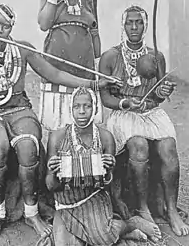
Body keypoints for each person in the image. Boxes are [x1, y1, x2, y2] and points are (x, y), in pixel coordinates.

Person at [0, 3, 113, 242]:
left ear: (11, 29)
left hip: (20, 110)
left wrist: (93, 84)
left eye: (5, 26)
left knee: (29, 147)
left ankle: (31, 212)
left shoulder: (22, 49)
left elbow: (54, 74)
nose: (0, 30)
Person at [99, 5, 189, 237]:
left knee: (169, 147)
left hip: (149, 113)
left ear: (145, 25)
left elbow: (159, 94)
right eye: (130, 22)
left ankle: (171, 210)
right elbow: (105, 97)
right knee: (138, 146)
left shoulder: (156, 56)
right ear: (123, 25)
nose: (134, 27)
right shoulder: (111, 56)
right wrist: (124, 103)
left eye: (139, 22)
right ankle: (144, 208)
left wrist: (162, 91)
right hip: (123, 114)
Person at [46, 86, 163, 245]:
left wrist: (108, 171)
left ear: (95, 109)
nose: (81, 111)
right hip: (66, 203)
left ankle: (129, 225)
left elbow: (107, 184)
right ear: (70, 109)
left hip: (93, 198)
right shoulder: (57, 137)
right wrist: (53, 172)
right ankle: (118, 232)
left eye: (87, 106)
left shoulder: (105, 137)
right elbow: (51, 186)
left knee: (103, 237)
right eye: (76, 106)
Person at [37, 0, 104, 132]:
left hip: (84, 62)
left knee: (84, 118)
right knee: (57, 124)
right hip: (57, 58)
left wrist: (97, 61)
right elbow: (43, 24)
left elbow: (94, 29)